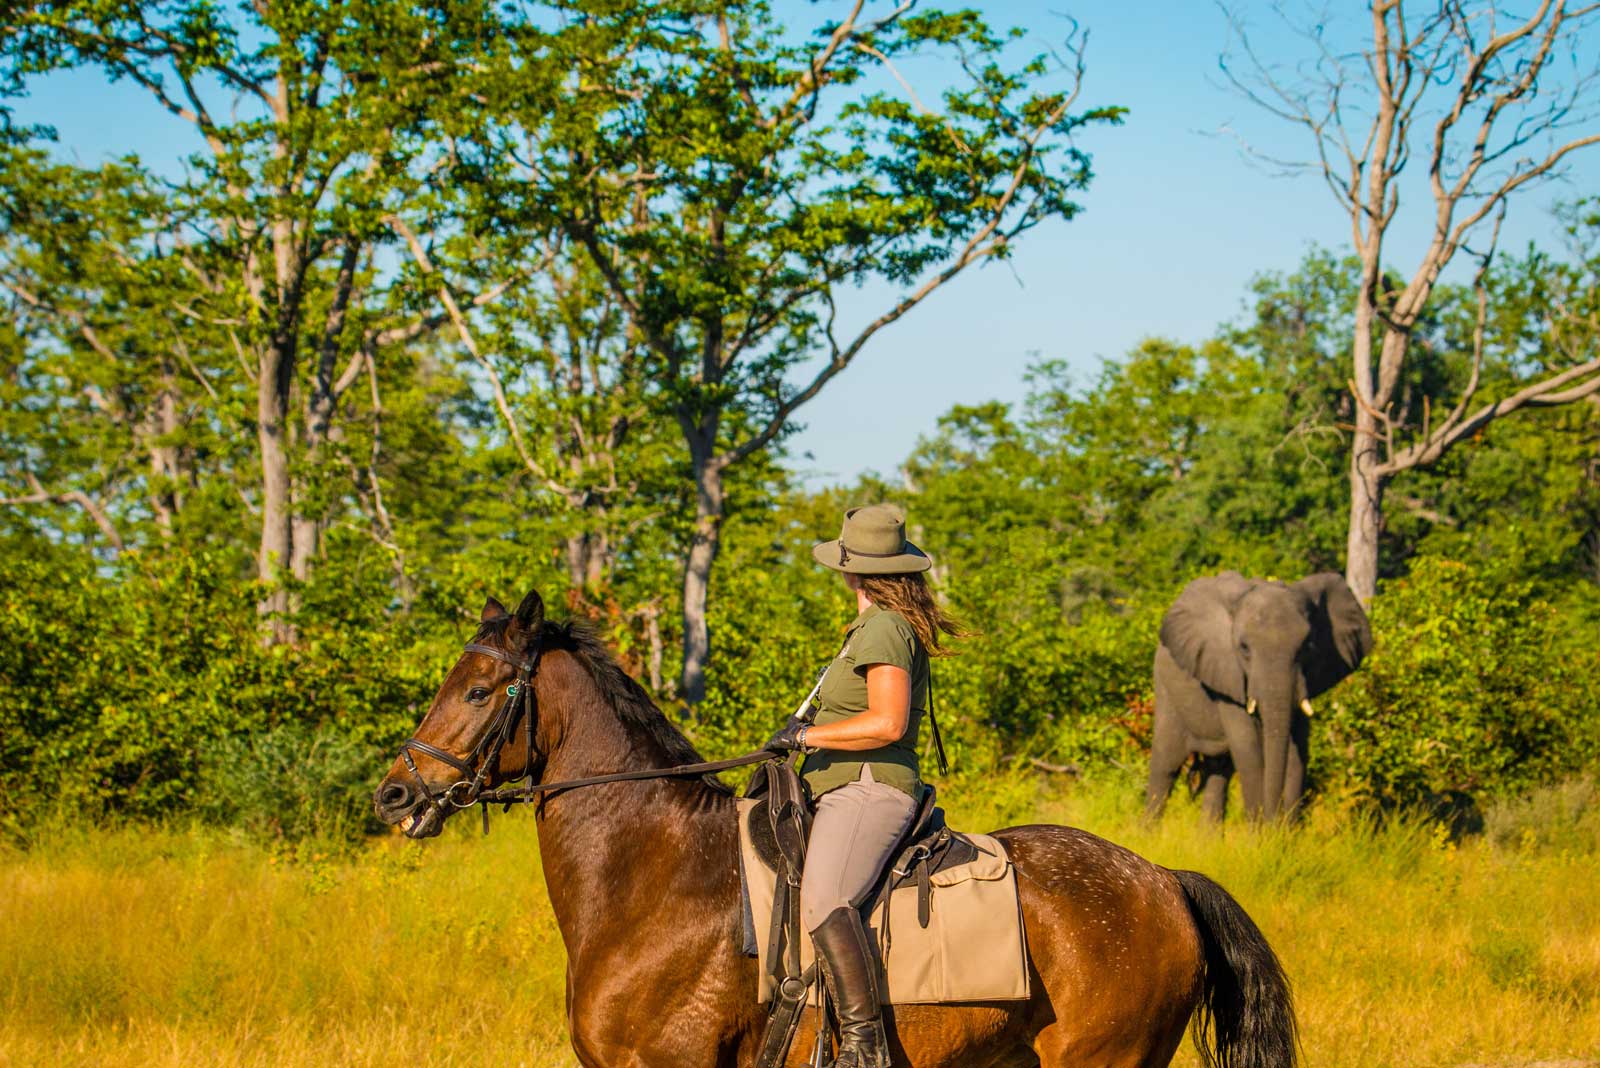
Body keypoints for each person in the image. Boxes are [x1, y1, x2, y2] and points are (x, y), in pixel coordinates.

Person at [763, 504, 965, 1068]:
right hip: (841, 784)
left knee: (826, 897)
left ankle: (863, 1044)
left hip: (869, 787)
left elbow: (888, 723)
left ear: (852, 571)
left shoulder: (883, 628)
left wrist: (807, 739)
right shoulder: (870, 628)